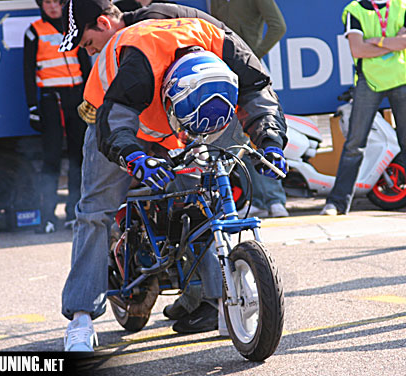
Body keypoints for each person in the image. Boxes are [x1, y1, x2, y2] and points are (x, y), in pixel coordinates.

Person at [58, 0, 287, 351]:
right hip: (111, 124)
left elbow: (257, 90)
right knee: (95, 212)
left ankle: (218, 301)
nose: (89, 51)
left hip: (182, 121)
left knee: (203, 199)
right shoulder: (141, 60)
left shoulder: (223, 42)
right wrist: (134, 157)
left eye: (87, 42)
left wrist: (270, 140)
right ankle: (81, 320)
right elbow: (115, 121)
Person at [320, 0, 406, 217]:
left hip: (402, 79)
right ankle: (337, 204)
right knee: (355, 144)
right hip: (370, 81)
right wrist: (393, 42)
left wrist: (378, 41)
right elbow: (357, 49)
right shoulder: (354, 9)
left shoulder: (403, 4)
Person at [210, 0, 288, 218]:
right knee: (235, 135)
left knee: (262, 131)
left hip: (250, 70)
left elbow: (278, 26)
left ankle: (275, 199)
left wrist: (254, 55)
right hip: (222, 70)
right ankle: (256, 199)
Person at [23, 0, 90, 233]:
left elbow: (86, 65)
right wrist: (32, 106)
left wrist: (91, 97)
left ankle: (73, 211)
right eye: (47, 2)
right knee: (50, 158)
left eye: (57, 2)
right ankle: (48, 216)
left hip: (76, 97)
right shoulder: (34, 31)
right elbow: (27, 71)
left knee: (77, 157)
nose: (52, 7)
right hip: (51, 100)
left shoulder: (73, 27)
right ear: (41, 5)